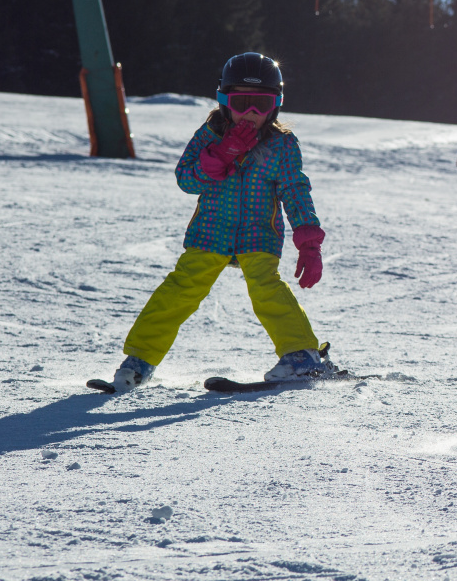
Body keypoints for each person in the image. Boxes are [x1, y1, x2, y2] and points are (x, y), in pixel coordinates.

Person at [104, 53, 332, 393]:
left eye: (261, 103)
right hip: (210, 232)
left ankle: (302, 357)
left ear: (277, 105)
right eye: (242, 102)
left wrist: (309, 241)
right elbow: (186, 179)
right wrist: (219, 155)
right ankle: (139, 360)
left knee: (266, 288)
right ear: (224, 101)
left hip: (258, 235)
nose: (251, 113)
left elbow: (295, 190)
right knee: (180, 291)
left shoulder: (282, 145)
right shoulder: (208, 136)